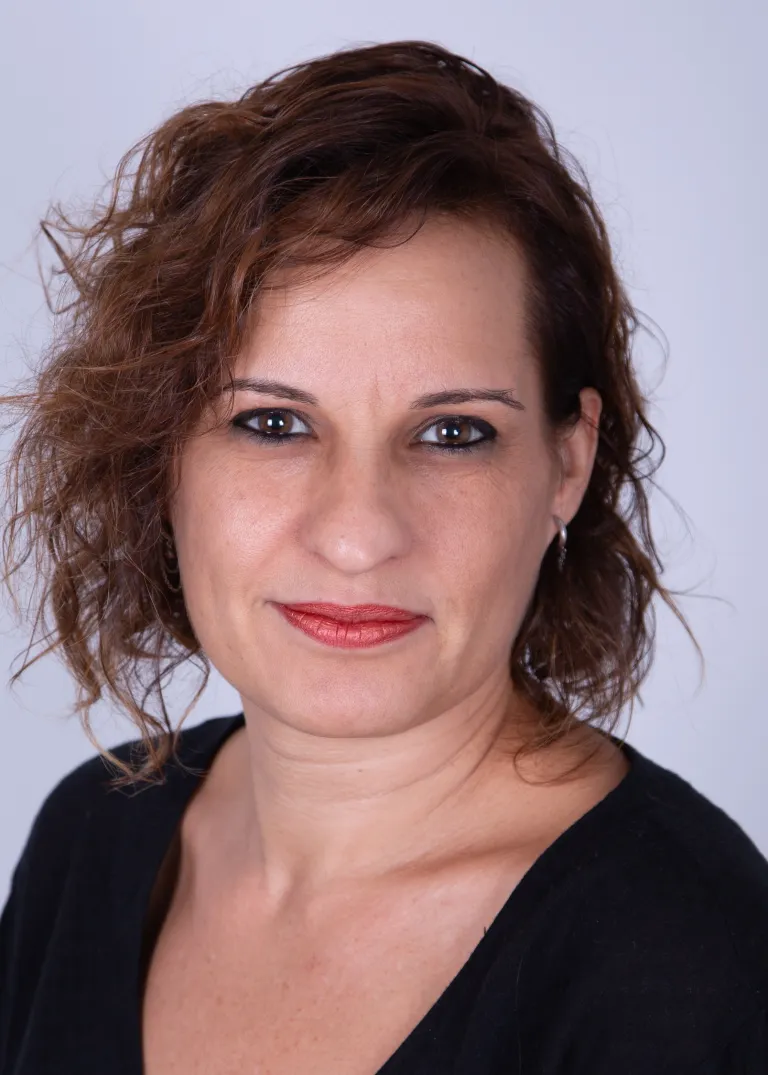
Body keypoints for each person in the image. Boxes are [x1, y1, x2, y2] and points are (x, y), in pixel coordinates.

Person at [0, 37, 766, 1075]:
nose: (358, 534)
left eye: (453, 433)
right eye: (273, 423)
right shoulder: (88, 840)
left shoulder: (696, 968)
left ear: (567, 463)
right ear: (158, 449)